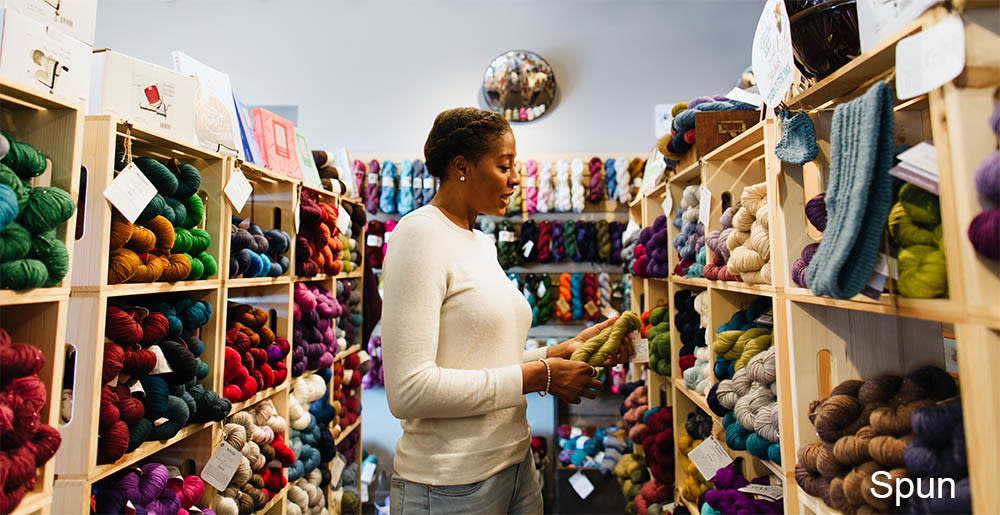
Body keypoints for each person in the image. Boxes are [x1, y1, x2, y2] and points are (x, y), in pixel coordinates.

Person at [381, 107, 632, 514]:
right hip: (449, 485)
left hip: (516, 465)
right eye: (504, 166)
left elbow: (484, 360)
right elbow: (409, 392)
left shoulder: (480, 242)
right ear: (461, 167)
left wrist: (561, 351)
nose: (516, 179)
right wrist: (540, 376)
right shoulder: (418, 234)